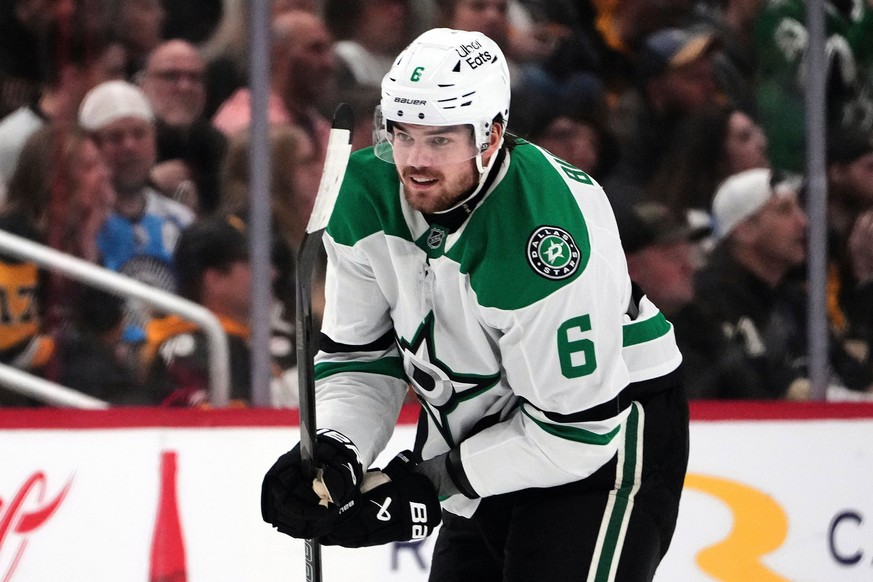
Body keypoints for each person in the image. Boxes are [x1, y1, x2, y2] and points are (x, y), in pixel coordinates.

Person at [261, 28, 689, 581]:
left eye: (441, 140)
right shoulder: (364, 194)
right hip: (478, 427)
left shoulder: (543, 236)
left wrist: (429, 482)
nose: (415, 161)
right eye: (403, 135)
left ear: (491, 135)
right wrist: (337, 451)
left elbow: (577, 434)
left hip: (601, 437)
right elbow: (360, 359)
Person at [692, 168, 873, 399]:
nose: (803, 222)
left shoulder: (792, 301)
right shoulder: (713, 305)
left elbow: (855, 377)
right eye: (784, 210)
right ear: (745, 230)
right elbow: (772, 390)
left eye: (798, 207)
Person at [0, 124, 116, 405]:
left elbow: (110, 332)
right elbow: (13, 351)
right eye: (90, 167)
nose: (105, 175)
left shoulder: (79, 236)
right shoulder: (13, 239)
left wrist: (88, 250)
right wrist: (66, 350)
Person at [78, 79, 195, 341]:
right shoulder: (77, 228)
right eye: (115, 137)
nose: (129, 146)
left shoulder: (182, 222)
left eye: (139, 134)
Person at [140, 215, 297, 408]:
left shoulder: (281, 340)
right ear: (214, 280)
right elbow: (216, 429)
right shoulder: (186, 352)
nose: (272, 273)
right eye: (252, 263)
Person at [138, 39, 228, 215]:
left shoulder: (220, 147)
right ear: (143, 85)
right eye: (171, 76)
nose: (185, 87)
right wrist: (149, 185)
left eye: (195, 78)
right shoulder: (126, 140)